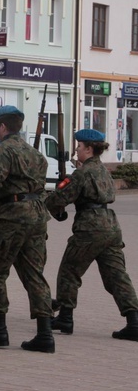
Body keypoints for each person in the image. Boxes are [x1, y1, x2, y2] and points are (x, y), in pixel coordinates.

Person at [0, 105, 55, 353]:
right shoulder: (35, 153)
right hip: (36, 216)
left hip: (10, 217)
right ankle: (45, 333)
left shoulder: (2, 150)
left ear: (2, 126)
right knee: (34, 273)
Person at [46, 129, 138, 340]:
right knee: (116, 276)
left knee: (70, 270)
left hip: (90, 227)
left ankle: (65, 318)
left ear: (88, 148)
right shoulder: (104, 170)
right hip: (111, 225)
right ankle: (134, 321)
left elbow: (58, 199)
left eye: (79, 146)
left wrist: (49, 204)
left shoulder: (82, 173)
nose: (76, 150)